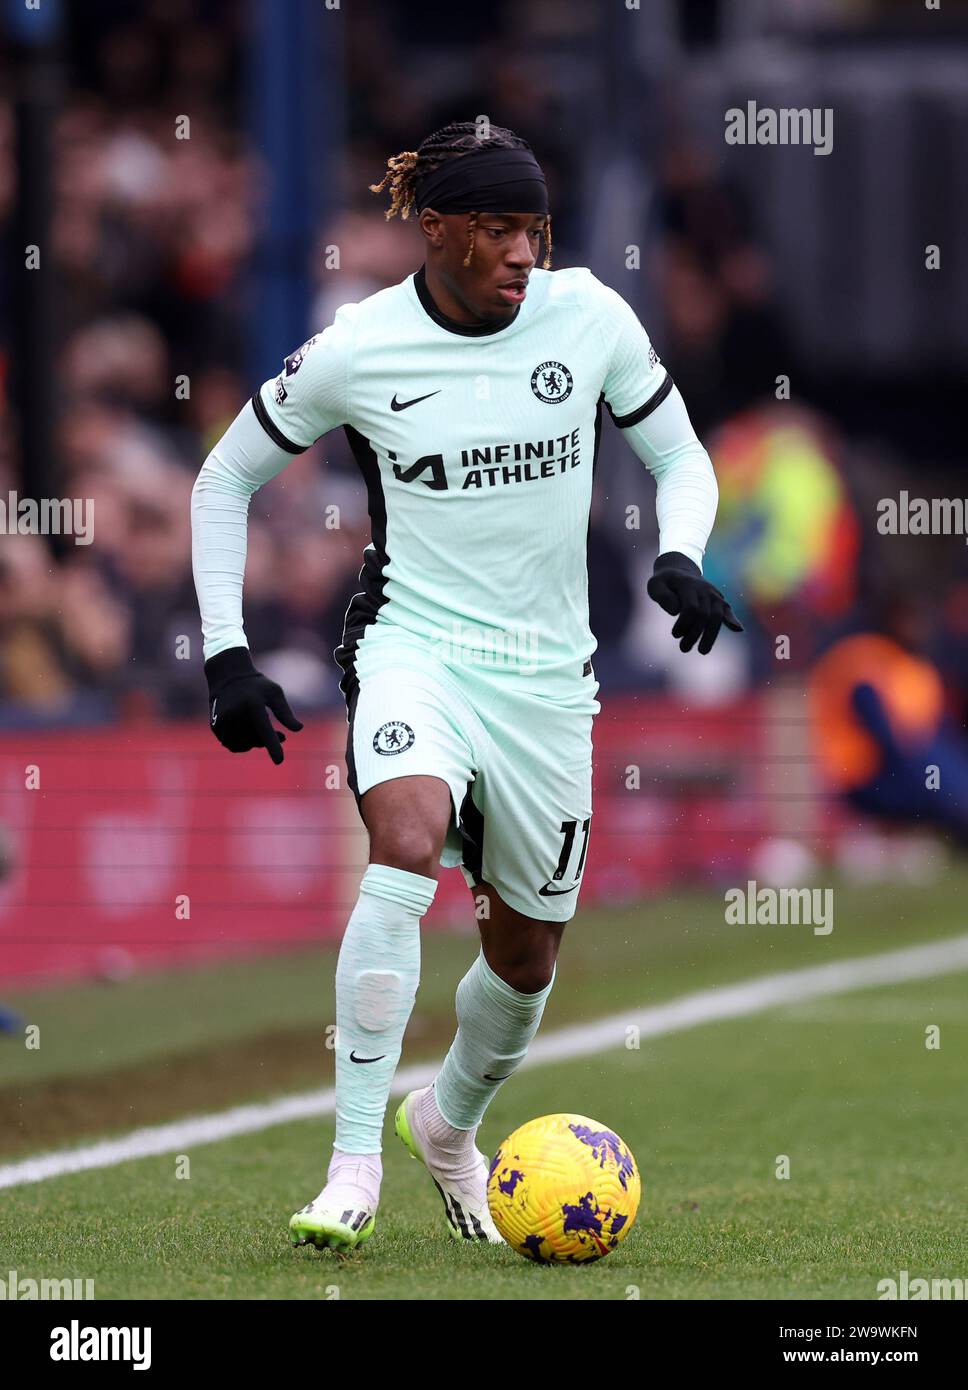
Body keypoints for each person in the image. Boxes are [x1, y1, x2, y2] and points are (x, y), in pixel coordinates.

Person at [190, 121, 740, 1254]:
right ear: (433, 229)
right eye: (496, 228)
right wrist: (226, 652)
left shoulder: (589, 317)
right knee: (403, 839)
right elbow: (224, 475)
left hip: (547, 678)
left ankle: (442, 1123)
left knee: (525, 959)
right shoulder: (359, 347)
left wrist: (680, 553)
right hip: (414, 644)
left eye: (532, 229)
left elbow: (681, 456)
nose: (520, 253)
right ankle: (349, 1167)